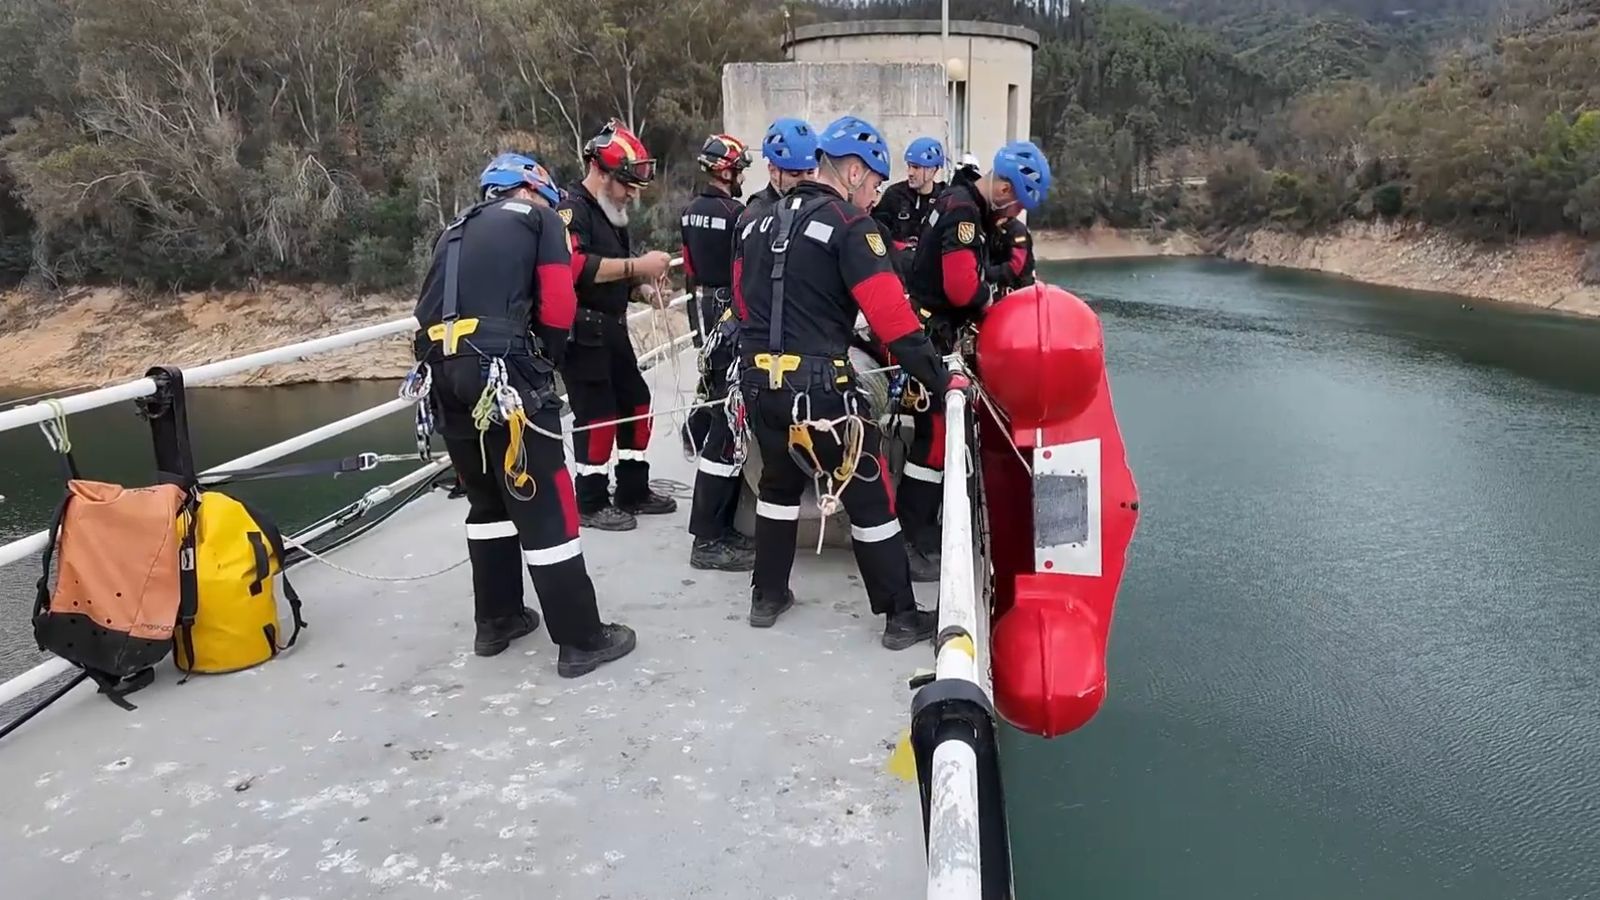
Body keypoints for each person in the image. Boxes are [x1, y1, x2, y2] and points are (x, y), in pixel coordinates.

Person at [734, 113, 969, 650]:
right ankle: (900, 615)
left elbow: (745, 307)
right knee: (870, 498)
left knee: (777, 484)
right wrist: (941, 379)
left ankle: (766, 596)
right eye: (876, 184)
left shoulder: (757, 223)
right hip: (822, 395)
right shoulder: (850, 227)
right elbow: (894, 323)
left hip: (760, 388)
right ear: (857, 172)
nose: (875, 197)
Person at [411, 153, 637, 677]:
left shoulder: (454, 229)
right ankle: (582, 639)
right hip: (503, 372)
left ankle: (497, 619)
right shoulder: (540, 221)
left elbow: (426, 307)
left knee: (487, 498)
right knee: (548, 502)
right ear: (533, 191)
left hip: (443, 374)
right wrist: (547, 362)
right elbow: (558, 303)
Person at [898, 141, 1053, 573]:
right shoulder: (965, 213)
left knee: (936, 436)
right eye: (1017, 204)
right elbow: (962, 288)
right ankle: (917, 540)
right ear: (1004, 188)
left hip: (929, 329)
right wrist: (993, 305)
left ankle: (920, 533)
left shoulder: (958, 198)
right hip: (931, 334)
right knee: (932, 440)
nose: (1015, 216)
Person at [558, 119, 678, 533]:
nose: (630, 194)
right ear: (601, 172)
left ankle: (632, 489)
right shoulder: (571, 208)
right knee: (597, 415)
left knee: (636, 404)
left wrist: (643, 289)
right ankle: (590, 501)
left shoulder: (611, 214)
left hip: (611, 325)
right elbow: (574, 268)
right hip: (582, 330)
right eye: (625, 184)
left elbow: (610, 275)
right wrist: (638, 266)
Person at [679, 133, 757, 571]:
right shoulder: (739, 215)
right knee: (729, 418)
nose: (742, 176)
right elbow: (746, 270)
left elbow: (689, 268)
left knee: (712, 395)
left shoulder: (690, 212)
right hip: (730, 309)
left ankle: (716, 527)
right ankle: (709, 536)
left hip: (703, 307)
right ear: (726, 171)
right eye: (740, 169)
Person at [872, 136, 946, 252]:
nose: (910, 172)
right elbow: (876, 230)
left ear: (933, 170)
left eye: (916, 167)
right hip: (898, 265)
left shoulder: (944, 198)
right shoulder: (895, 195)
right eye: (909, 166)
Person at [988, 214, 1036, 294]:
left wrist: (990, 273)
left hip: (1020, 286)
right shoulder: (994, 230)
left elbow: (1016, 265)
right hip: (1000, 285)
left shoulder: (1018, 230)